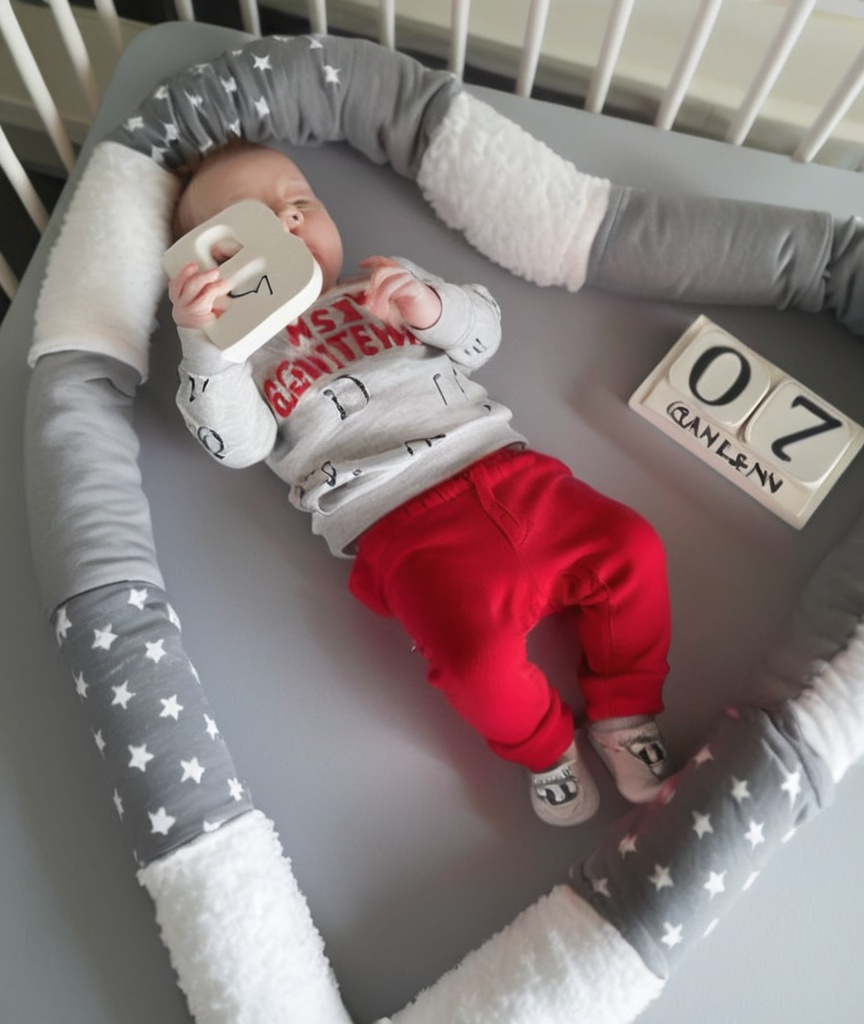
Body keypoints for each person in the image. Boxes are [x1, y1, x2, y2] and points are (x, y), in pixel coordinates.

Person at [167, 140, 674, 826]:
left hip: (509, 471)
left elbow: (481, 335)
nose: (288, 223)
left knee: (633, 547)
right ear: (205, 270)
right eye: (251, 225)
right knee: (473, 666)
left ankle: (625, 712)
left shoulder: (382, 287)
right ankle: (546, 751)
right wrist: (205, 345)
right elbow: (235, 445)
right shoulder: (239, 360)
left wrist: (429, 305)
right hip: (406, 531)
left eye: (299, 204)